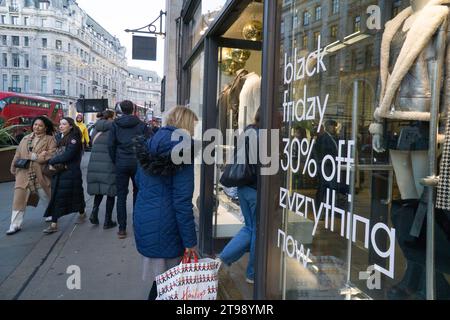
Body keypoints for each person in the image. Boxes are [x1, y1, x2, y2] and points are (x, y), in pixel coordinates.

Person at [133, 106, 198, 300]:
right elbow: (182, 202)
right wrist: (190, 242)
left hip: (145, 217)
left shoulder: (150, 143)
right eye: (193, 125)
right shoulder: (183, 150)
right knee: (168, 285)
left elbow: (138, 182)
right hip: (167, 223)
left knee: (162, 282)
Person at [218, 110, 260, 284]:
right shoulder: (264, 135)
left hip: (243, 187)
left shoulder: (248, 131)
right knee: (258, 231)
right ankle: (252, 273)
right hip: (256, 190)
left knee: (250, 228)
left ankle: (223, 258)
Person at [6, 116, 57, 235]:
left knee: (46, 196)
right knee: (18, 199)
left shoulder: (50, 139)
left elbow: (52, 154)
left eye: (40, 125)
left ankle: (51, 214)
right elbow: (18, 154)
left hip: (40, 174)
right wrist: (13, 166)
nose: (37, 127)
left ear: (45, 128)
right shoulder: (25, 138)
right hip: (23, 174)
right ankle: (15, 225)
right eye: (35, 125)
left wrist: (37, 157)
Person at [108, 100, 150, 239]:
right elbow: (147, 144)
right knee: (138, 194)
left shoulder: (115, 124)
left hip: (121, 162)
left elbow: (111, 145)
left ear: (121, 109)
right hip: (137, 162)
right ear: (133, 109)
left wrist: (116, 160)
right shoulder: (141, 125)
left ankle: (122, 228)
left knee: (121, 195)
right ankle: (137, 225)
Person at [43, 117, 86, 234]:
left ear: (70, 126)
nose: (61, 126)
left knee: (76, 194)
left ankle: (82, 213)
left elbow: (68, 155)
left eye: (64, 124)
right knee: (57, 197)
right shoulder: (57, 137)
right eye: (60, 124)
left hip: (71, 172)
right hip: (59, 171)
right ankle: (54, 224)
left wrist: (52, 161)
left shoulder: (74, 138)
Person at [86, 110, 117, 229]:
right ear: (110, 118)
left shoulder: (95, 129)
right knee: (110, 192)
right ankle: (107, 221)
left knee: (98, 190)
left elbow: (91, 143)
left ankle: (94, 212)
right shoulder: (113, 129)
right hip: (109, 163)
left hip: (94, 163)